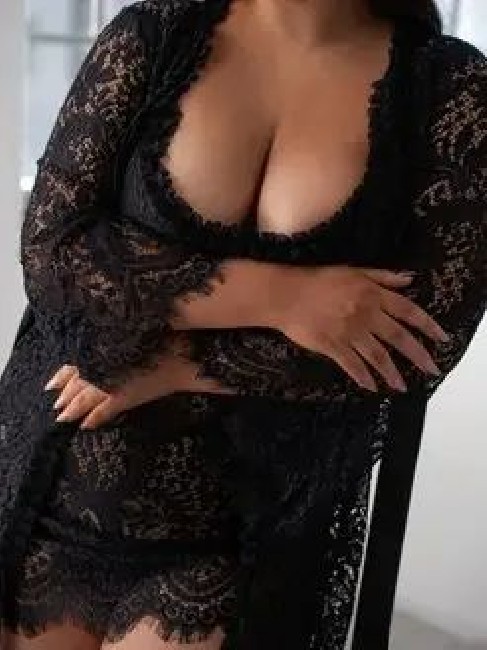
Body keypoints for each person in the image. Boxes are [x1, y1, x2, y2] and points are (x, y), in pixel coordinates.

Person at [0, 0, 485, 648]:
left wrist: (174, 366)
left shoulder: (449, 89)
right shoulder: (155, 34)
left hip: (245, 536)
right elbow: (55, 253)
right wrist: (280, 297)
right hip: (53, 481)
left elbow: (421, 341)